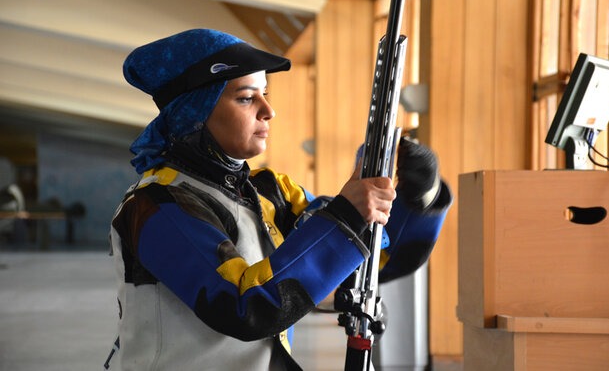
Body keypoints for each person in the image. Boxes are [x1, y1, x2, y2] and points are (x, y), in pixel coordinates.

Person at [104, 28, 452, 371]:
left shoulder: (272, 192)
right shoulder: (154, 206)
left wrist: (416, 195)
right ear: (195, 111)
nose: (268, 110)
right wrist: (348, 215)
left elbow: (373, 262)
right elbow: (244, 307)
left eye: (265, 93)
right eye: (246, 97)